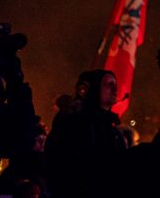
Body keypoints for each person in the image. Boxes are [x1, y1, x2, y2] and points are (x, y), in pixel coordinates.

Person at [44, 69, 127, 197]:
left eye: (114, 84)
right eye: (108, 84)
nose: (115, 88)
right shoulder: (74, 120)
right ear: (93, 89)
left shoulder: (112, 129)